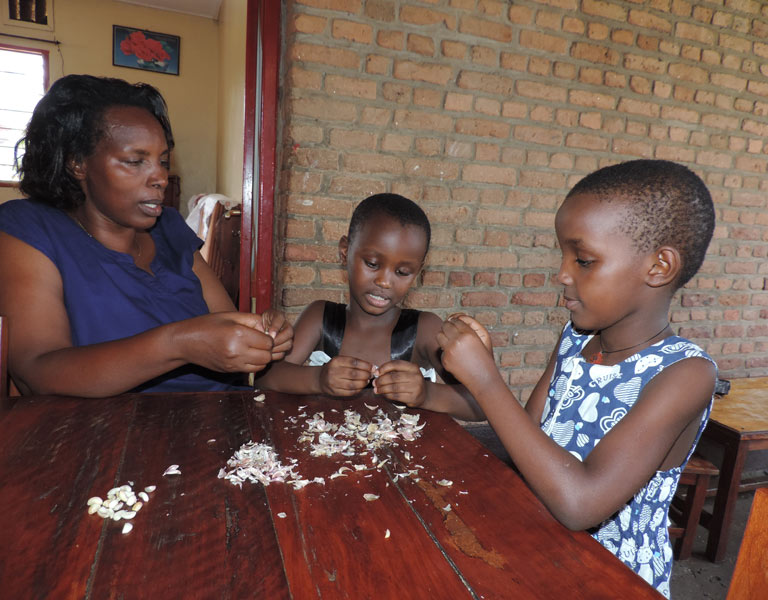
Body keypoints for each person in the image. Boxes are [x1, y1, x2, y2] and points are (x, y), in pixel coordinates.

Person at [427, 160, 717, 598]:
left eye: (583, 259)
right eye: (563, 256)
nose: (563, 274)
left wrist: (487, 382)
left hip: (611, 581)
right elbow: (525, 437)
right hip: (540, 551)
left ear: (659, 266)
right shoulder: (575, 340)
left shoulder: (685, 374)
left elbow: (582, 503)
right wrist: (452, 385)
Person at [0, 74, 292, 397]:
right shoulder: (29, 229)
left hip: (219, 416)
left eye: (163, 161)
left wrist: (261, 336)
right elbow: (36, 371)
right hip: (112, 437)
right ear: (77, 163)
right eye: (135, 161)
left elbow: (225, 324)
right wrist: (179, 343)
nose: (160, 178)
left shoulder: (169, 228)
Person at [259, 193, 470, 408]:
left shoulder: (424, 329)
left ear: (417, 272)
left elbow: (478, 404)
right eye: (372, 264)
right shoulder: (321, 318)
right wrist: (318, 379)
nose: (385, 282)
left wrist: (427, 394)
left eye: (403, 272)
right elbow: (265, 378)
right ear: (345, 251)